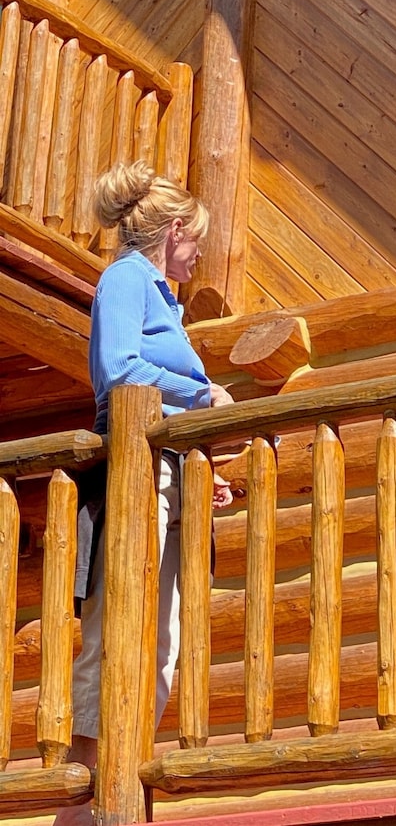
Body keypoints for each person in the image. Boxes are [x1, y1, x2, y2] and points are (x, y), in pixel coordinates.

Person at [54, 160, 233, 826]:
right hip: (135, 476)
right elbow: (119, 370)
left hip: (169, 473)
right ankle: (81, 812)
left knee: (163, 644)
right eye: (196, 243)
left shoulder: (163, 297)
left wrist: (200, 465)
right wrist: (202, 393)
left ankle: (121, 793)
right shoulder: (125, 278)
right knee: (116, 635)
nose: (198, 256)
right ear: (175, 230)